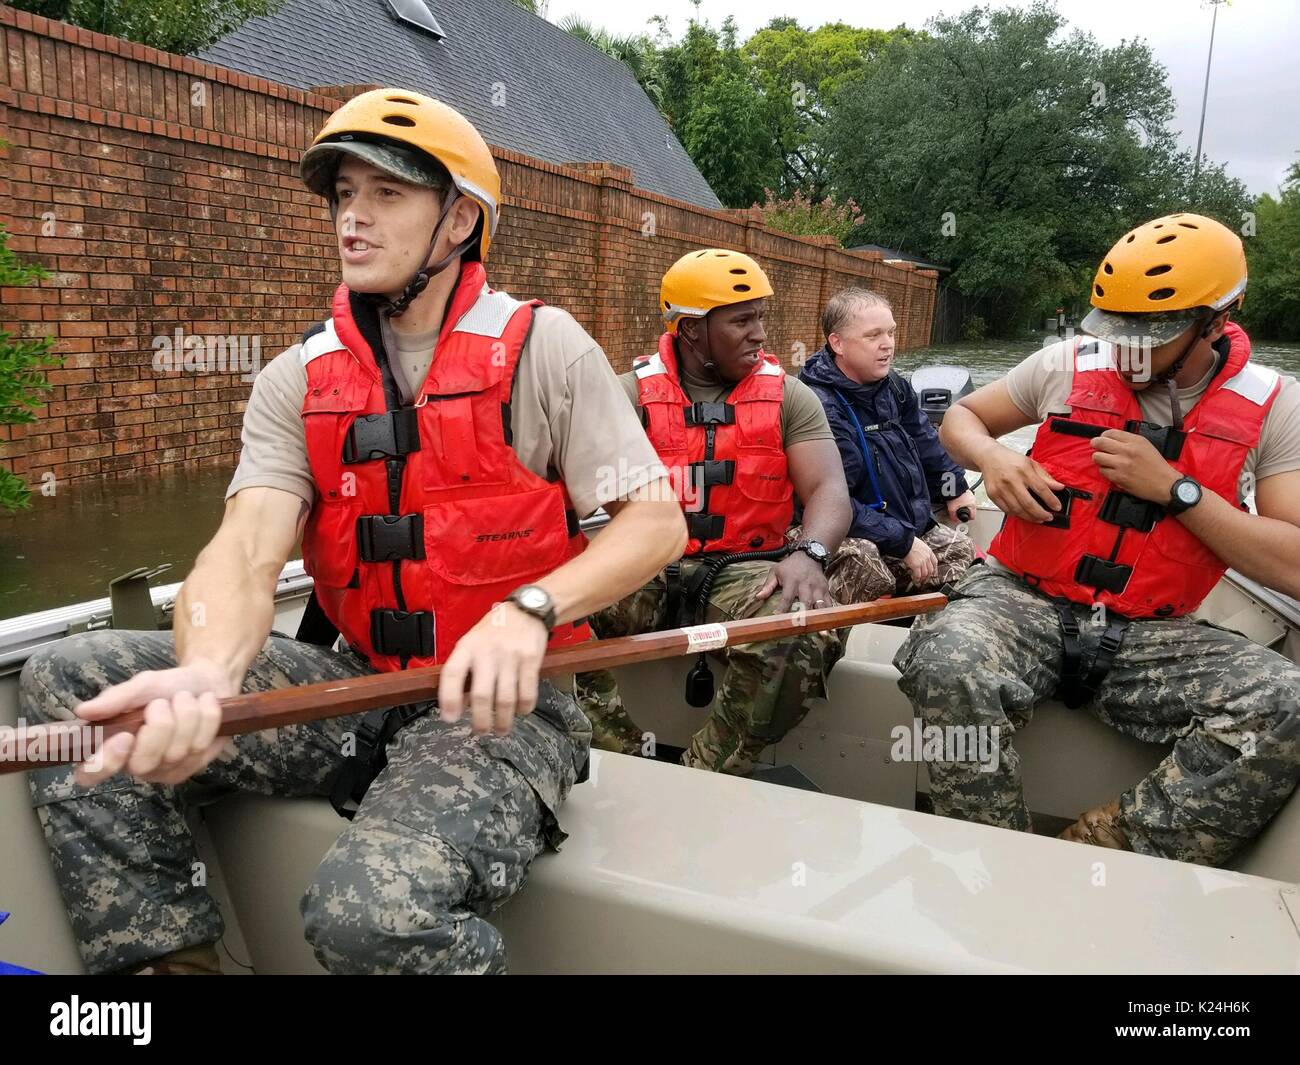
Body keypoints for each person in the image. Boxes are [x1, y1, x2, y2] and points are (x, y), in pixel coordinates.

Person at [20, 88, 685, 974]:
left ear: (458, 222)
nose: (354, 221)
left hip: (503, 707)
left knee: (366, 919)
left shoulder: (545, 350)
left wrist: (531, 606)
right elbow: (247, 549)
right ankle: (171, 966)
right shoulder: (297, 378)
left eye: (388, 195)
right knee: (68, 677)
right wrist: (207, 674)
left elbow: (656, 522)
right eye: (344, 195)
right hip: (356, 683)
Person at [894, 212, 1300, 866]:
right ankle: (991, 858)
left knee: (1285, 703)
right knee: (946, 658)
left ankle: (1109, 843)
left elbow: (1293, 563)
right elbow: (963, 418)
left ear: (1217, 320)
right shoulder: (1064, 364)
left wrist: (1176, 489)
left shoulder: (1278, 406)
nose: (1128, 352)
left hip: (1152, 630)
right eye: (1118, 332)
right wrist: (993, 460)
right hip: (1022, 598)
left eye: (1153, 336)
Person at [576, 249, 851, 775]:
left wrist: (810, 553)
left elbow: (829, 488)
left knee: (801, 629)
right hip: (644, 564)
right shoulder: (627, 394)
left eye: (761, 319)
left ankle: (703, 773)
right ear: (693, 329)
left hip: (746, 569)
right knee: (540, 614)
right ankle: (624, 755)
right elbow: (571, 487)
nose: (760, 334)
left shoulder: (792, 397)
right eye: (742, 320)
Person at [795, 288, 977, 604]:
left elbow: (924, 440)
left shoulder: (893, 385)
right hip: (841, 531)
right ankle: (846, 637)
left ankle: (923, 631)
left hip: (896, 525)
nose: (888, 344)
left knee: (961, 550)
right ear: (837, 343)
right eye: (873, 335)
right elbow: (829, 500)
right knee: (864, 563)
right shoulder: (819, 407)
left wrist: (954, 488)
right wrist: (903, 542)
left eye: (891, 332)